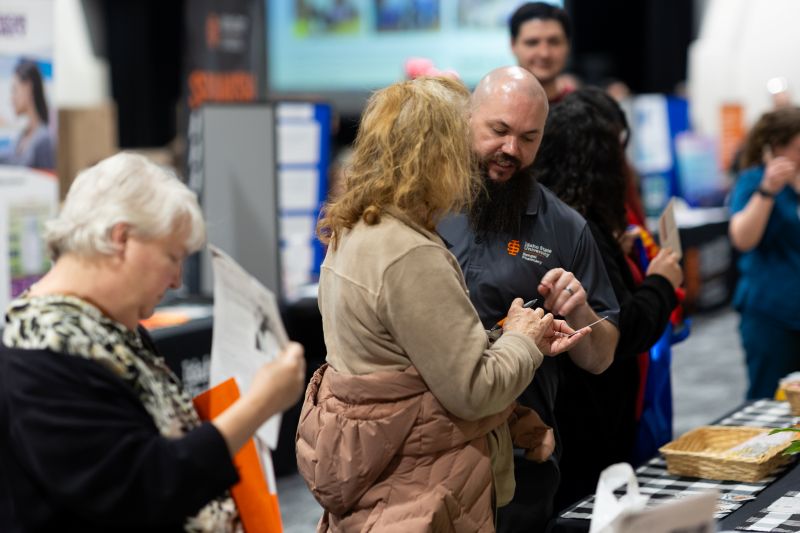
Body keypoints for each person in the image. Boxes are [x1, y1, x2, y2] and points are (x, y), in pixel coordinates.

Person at [296, 76, 589, 532]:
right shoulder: (411, 253)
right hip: (421, 492)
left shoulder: (356, 228)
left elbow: (411, 355)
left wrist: (508, 336)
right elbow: (474, 390)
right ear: (438, 156)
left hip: (380, 483)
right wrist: (522, 341)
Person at [0, 152, 307, 532]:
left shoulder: (108, 326)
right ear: (121, 239)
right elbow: (140, 489)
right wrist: (259, 404)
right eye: (172, 257)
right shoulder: (40, 350)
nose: (177, 280)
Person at [438, 67, 620, 532]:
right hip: (426, 450)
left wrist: (579, 310)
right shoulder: (425, 204)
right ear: (468, 119)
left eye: (527, 138)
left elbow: (601, 357)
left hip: (521, 458)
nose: (510, 149)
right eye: (498, 130)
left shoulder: (564, 228)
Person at [533, 88, 683, 509]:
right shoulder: (582, 227)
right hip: (591, 416)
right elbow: (621, 328)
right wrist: (661, 283)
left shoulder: (554, 216)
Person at [729, 107, 800, 399]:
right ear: (775, 147)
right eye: (797, 148)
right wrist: (768, 190)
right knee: (769, 398)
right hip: (771, 314)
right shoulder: (755, 181)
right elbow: (742, 238)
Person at [509, 2, 573, 104]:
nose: (544, 53)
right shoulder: (493, 107)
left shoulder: (585, 107)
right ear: (513, 45)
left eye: (554, 42)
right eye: (532, 43)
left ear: (568, 45)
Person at [0, 59, 56, 170]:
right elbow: (11, 161)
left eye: (14, 90)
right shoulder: (22, 136)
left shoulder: (43, 140)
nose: (11, 99)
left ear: (28, 88)